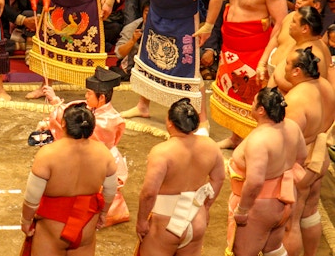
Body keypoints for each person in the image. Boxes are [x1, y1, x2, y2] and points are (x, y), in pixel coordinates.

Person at [104, 0, 223, 131]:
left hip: (184, 19)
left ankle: (202, 121)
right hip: (156, 13)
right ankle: (143, 106)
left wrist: (209, 25)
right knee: (147, 58)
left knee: (190, 69)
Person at [188, 0, 287, 147]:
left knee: (250, 97)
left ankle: (253, 143)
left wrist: (263, 60)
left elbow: (280, 24)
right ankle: (235, 137)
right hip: (231, 41)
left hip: (255, 46)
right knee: (231, 92)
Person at [34, 67, 130, 227]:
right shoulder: (91, 109)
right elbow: (73, 113)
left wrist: (56, 111)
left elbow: (75, 125)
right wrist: (54, 100)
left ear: (102, 98)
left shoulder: (108, 121)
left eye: (89, 93)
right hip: (88, 156)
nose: (85, 96)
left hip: (97, 161)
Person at [20, 103, 117, 256]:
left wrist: (26, 221)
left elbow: (32, 198)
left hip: (52, 231)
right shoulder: (104, 153)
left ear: (63, 124)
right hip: (86, 228)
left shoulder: (48, 154)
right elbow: (111, 190)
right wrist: (103, 214)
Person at [135, 98, 224, 256]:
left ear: (170, 122)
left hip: (165, 224)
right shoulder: (211, 146)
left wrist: (141, 221)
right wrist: (206, 207)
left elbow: (149, 192)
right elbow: (218, 179)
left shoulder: (162, 152)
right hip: (197, 220)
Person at [225, 87, 307, 256]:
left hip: (259, 206)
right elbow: (301, 158)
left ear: (261, 110)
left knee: (244, 253)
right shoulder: (292, 127)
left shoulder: (259, 140)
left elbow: (255, 182)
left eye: (254, 102)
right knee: (273, 250)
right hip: (285, 200)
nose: (251, 104)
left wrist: (242, 210)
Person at [282, 48, 335, 256]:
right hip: (320, 158)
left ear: (296, 71)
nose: (283, 68)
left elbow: (288, 143)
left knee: (290, 221)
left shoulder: (295, 100)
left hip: (301, 164)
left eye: (286, 64)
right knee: (310, 211)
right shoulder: (325, 86)